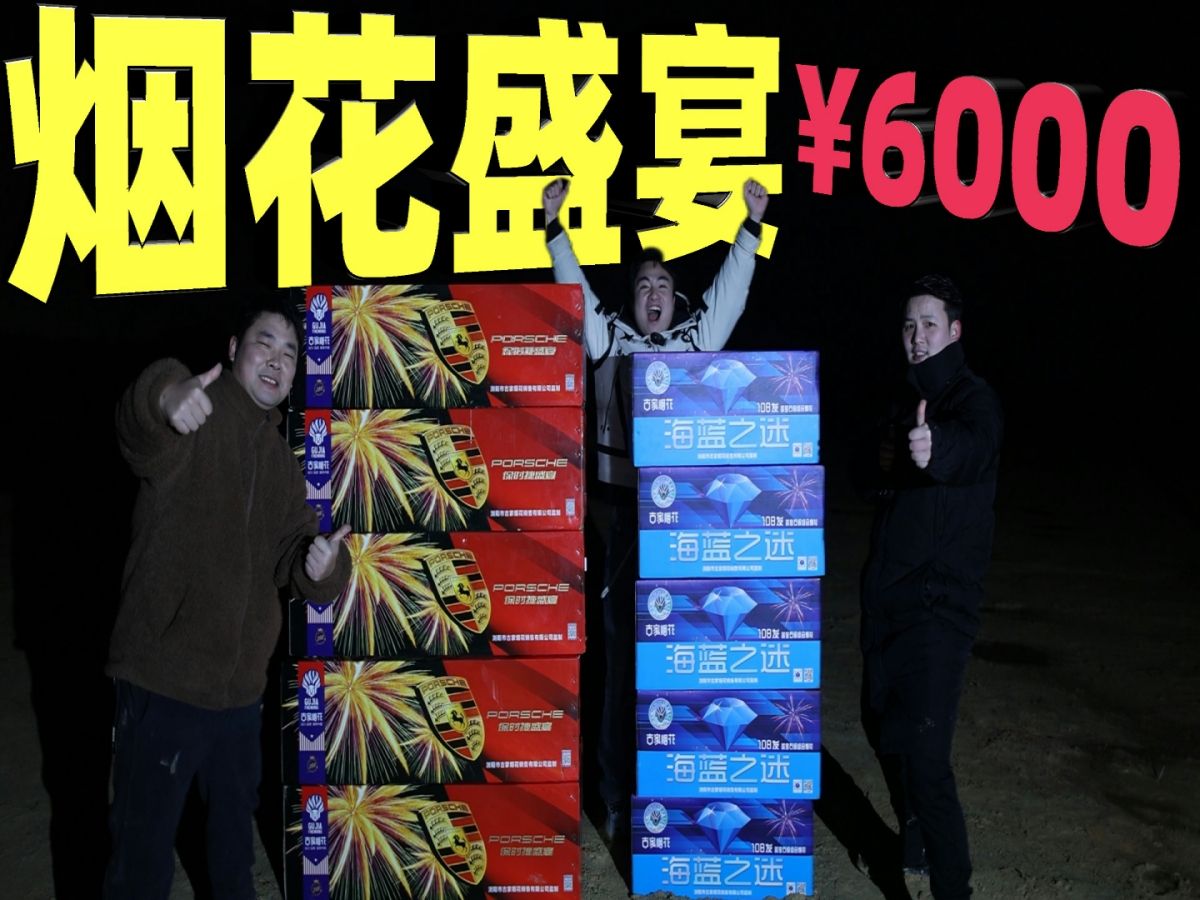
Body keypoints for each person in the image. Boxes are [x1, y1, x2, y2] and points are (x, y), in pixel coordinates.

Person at [542, 177, 769, 843]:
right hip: (621, 518)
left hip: (687, 525)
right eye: (643, 285)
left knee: (682, 661)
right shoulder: (610, 341)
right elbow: (576, 290)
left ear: (677, 299)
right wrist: (554, 229)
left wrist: (750, 228)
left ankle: (676, 798)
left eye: (663, 286)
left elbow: (729, 295)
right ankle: (616, 797)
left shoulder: (698, 342)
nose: (653, 295)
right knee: (620, 662)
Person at [103, 294, 352, 899]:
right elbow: (141, 423)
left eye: (290, 353)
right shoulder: (199, 413)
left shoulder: (280, 459)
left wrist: (324, 564)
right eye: (265, 343)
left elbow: (295, 552)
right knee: (140, 865)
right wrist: (165, 397)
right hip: (163, 683)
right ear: (235, 349)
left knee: (233, 865)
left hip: (239, 699)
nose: (278, 360)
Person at [859, 275, 1002, 900]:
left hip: (939, 608)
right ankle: (911, 833)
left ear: (955, 331)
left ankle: (952, 890)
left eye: (930, 325)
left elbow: (971, 447)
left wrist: (933, 448)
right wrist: (884, 460)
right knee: (880, 728)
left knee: (925, 757)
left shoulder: (975, 401)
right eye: (909, 326)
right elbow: (878, 478)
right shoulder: (903, 397)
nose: (917, 337)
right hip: (886, 600)